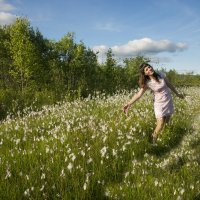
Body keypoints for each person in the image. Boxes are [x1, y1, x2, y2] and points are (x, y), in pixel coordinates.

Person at [123, 63, 184, 143]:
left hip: (168, 100)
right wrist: (129, 104)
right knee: (161, 123)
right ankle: (153, 141)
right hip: (159, 104)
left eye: (149, 67)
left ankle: (164, 138)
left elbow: (169, 84)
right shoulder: (147, 82)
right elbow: (139, 94)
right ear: (145, 73)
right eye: (146, 70)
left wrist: (177, 94)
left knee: (167, 122)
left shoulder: (160, 74)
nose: (149, 69)